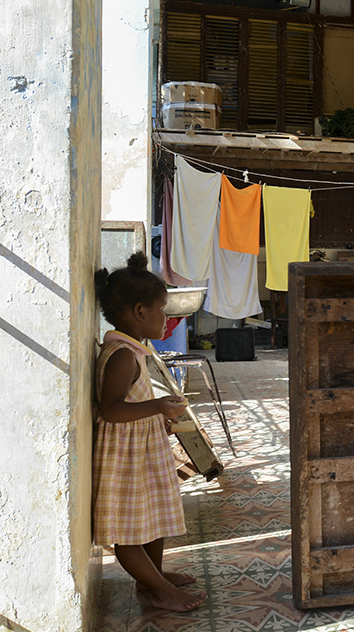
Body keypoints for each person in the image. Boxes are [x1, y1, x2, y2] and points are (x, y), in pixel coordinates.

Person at [93, 253, 206, 612]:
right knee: (128, 530)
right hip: (124, 456)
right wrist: (157, 407)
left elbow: (129, 404)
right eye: (162, 309)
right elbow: (110, 409)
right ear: (140, 312)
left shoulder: (134, 350)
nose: (167, 317)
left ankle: (152, 576)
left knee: (152, 515)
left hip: (140, 448)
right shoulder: (122, 355)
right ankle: (158, 590)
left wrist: (158, 418)